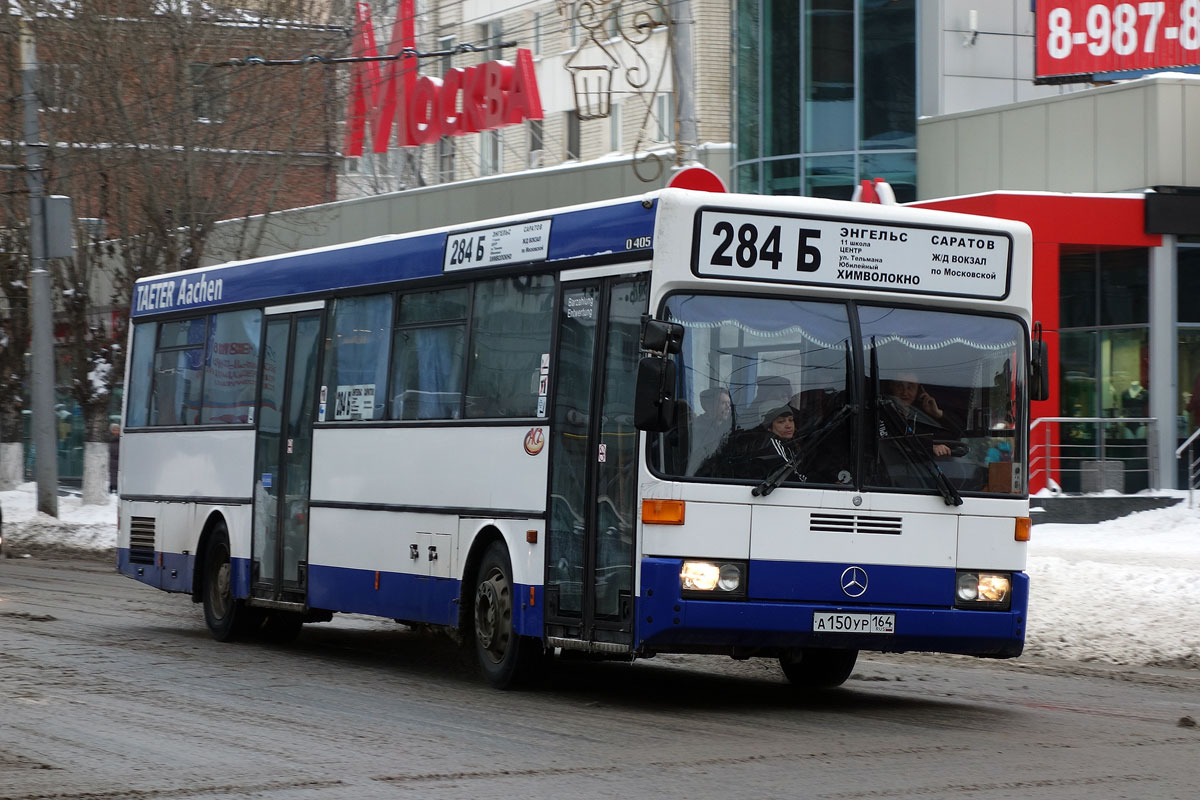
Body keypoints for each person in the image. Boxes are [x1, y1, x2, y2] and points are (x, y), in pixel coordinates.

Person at [881, 372, 963, 457]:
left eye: (910, 387)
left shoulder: (921, 416)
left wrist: (938, 414)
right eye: (899, 386)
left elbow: (959, 433)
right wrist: (929, 447)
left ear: (919, 390)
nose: (905, 393)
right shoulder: (883, 412)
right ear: (891, 387)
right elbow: (892, 439)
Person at [687, 387, 734, 475]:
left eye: (729, 403)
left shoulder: (730, 428)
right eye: (723, 403)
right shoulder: (695, 428)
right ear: (708, 406)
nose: (728, 407)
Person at [109, 423, 120, 493]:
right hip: (112, 459)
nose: (116, 432)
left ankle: (116, 486)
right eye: (114, 430)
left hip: (120, 459)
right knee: (112, 474)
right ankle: (112, 486)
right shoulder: (109, 439)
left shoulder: (122, 439)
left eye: (117, 430)